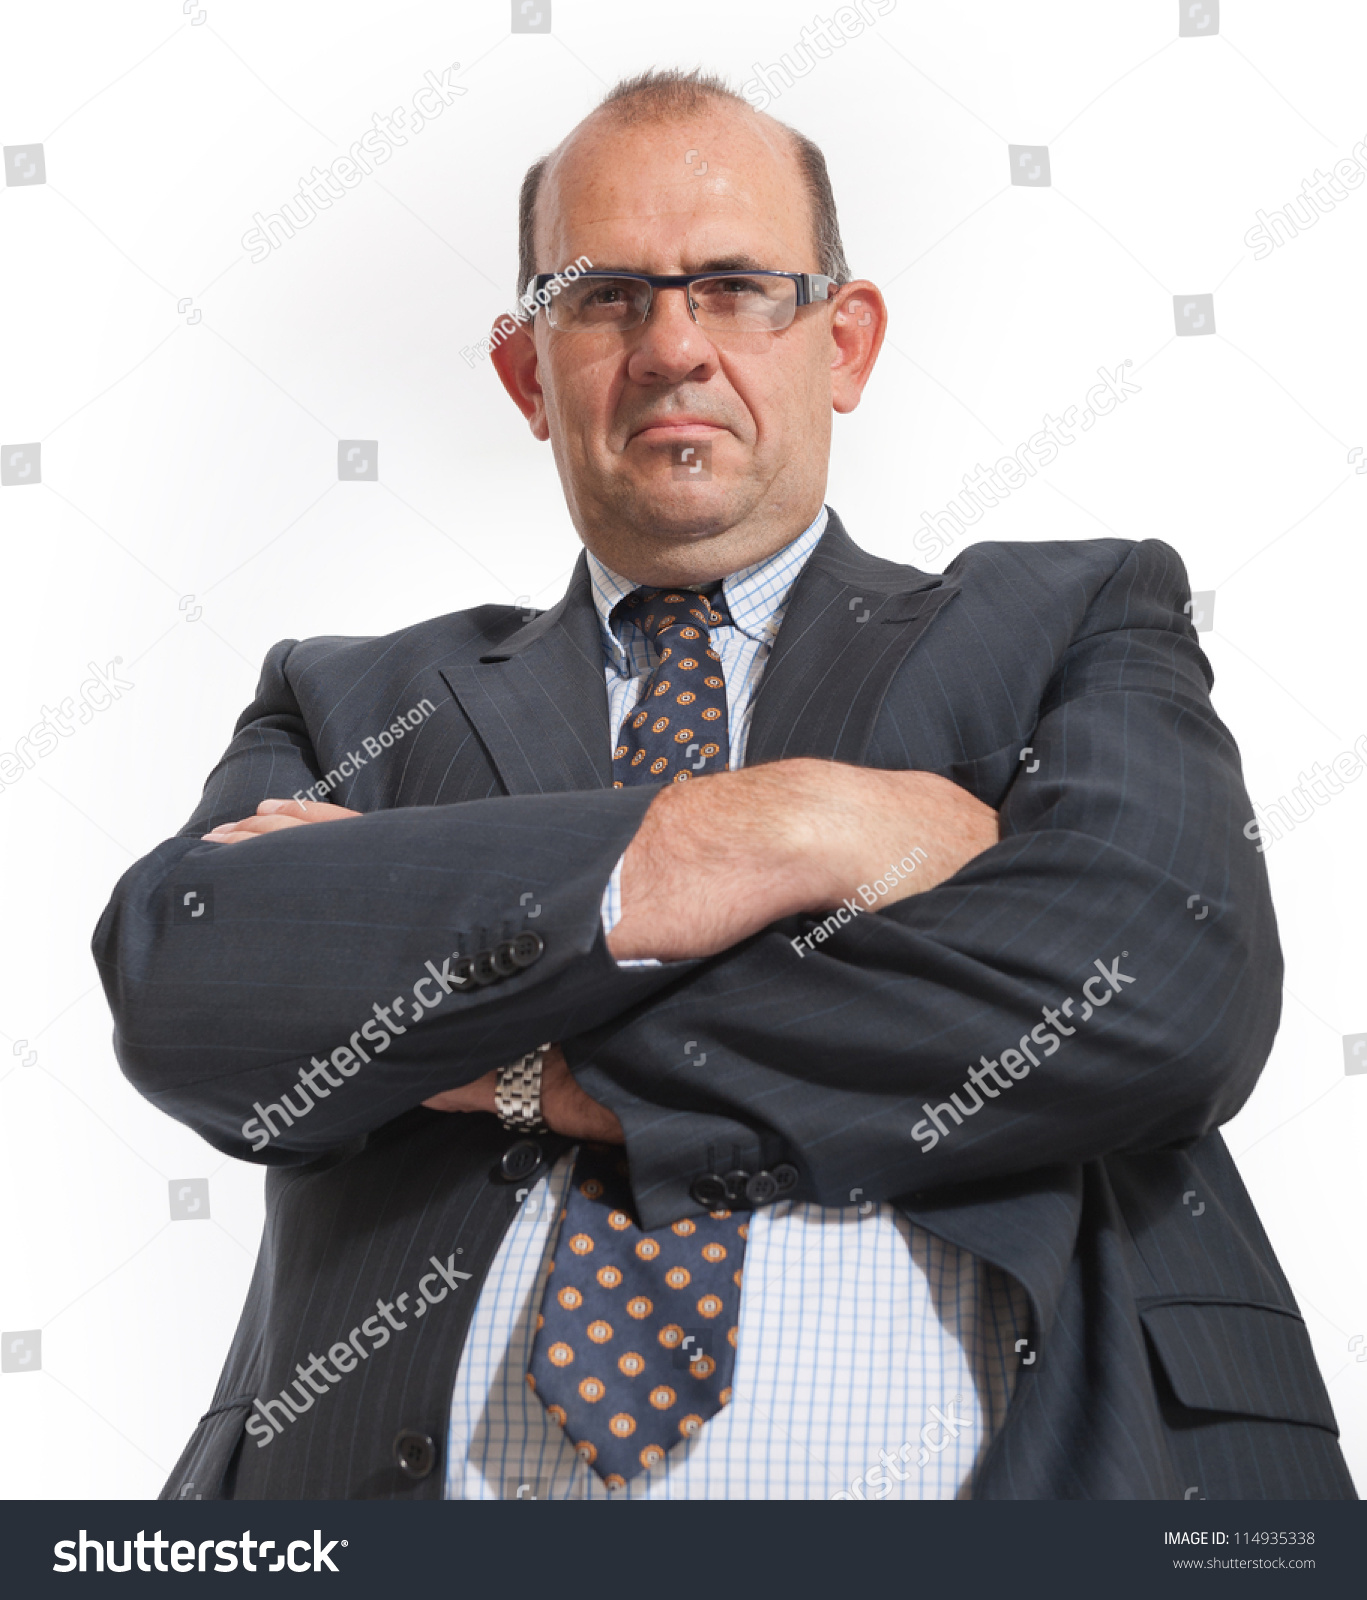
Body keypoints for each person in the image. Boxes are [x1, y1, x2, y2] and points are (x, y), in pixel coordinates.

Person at [93, 68, 1352, 1501]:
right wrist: (772, 831)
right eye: (607, 294)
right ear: (527, 368)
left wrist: (531, 1064)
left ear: (846, 344)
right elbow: (194, 982)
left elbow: (1164, 985)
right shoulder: (356, 698)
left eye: (742, 287)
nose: (674, 346)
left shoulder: (1070, 622)